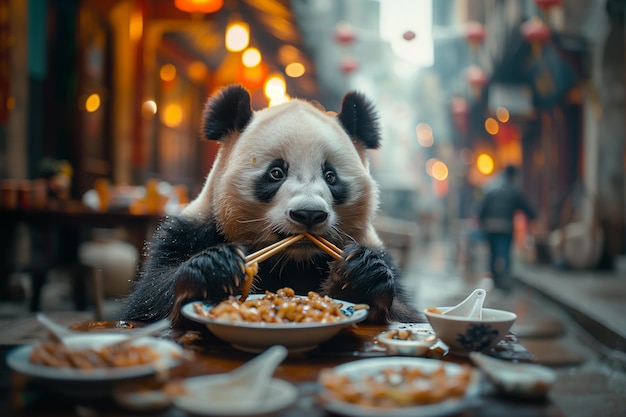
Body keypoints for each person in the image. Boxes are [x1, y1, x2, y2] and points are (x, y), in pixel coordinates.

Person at [478, 165, 537, 290]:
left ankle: (495, 280)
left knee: (493, 254)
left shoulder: (492, 188)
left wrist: (483, 225)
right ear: (513, 176)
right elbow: (525, 206)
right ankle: (504, 281)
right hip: (504, 226)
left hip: (490, 226)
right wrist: (534, 216)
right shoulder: (512, 190)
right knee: (504, 253)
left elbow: (482, 209)